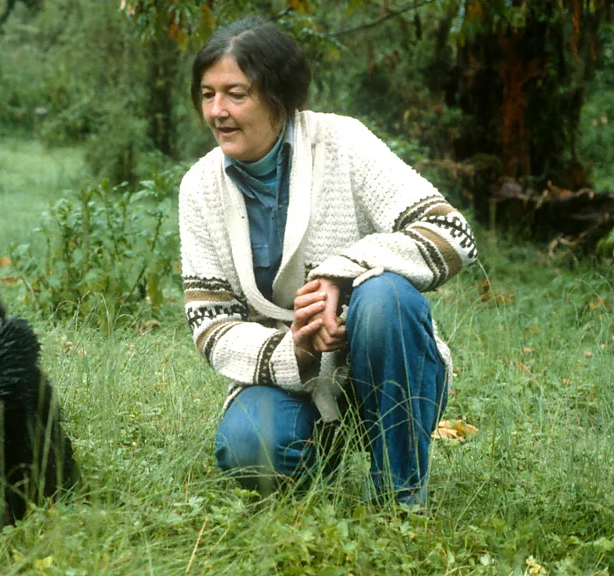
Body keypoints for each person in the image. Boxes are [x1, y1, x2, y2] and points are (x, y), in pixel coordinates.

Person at [178, 16, 477, 506]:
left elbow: (451, 234)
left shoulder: (343, 141)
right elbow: (211, 326)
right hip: (290, 376)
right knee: (250, 450)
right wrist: (297, 348)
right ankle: (323, 450)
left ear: (279, 96)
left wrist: (341, 273)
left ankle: (400, 496)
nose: (218, 111)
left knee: (384, 295)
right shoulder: (199, 187)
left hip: (384, 360)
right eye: (207, 94)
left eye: (236, 94)